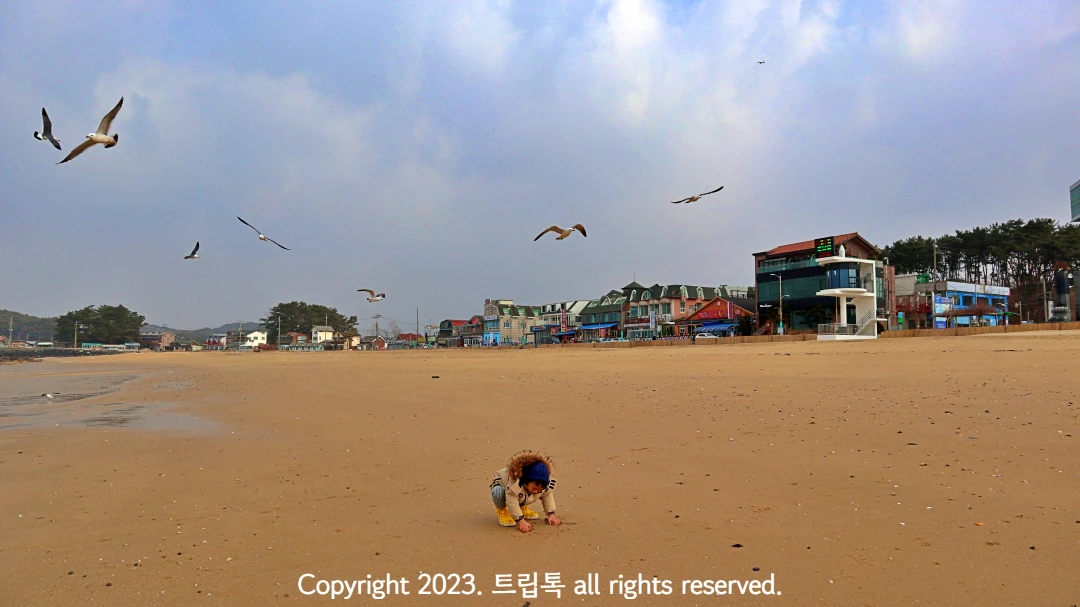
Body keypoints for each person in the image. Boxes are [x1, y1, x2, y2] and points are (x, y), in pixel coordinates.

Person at [490, 451, 561, 532]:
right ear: (526, 480)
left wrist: (551, 514)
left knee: (526, 494)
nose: (536, 491)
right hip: (502, 483)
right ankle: (502, 511)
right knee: (498, 492)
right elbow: (511, 500)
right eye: (534, 488)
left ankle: (522, 508)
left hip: (522, 492)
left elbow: (547, 495)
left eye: (540, 490)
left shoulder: (543, 485)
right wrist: (520, 520)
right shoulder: (516, 484)